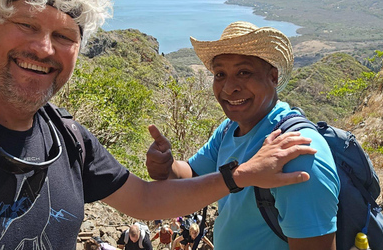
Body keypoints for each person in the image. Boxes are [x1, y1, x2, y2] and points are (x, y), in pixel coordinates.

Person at [0, 0, 318, 250]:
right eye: (26, 25)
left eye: (64, 36)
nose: (45, 49)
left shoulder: (70, 141)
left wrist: (241, 176)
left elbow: (147, 199)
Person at [146, 21, 341, 250]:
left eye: (244, 72)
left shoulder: (297, 152)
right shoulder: (230, 129)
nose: (229, 88)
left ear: (273, 77)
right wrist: (166, 167)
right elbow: (191, 175)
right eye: (220, 74)